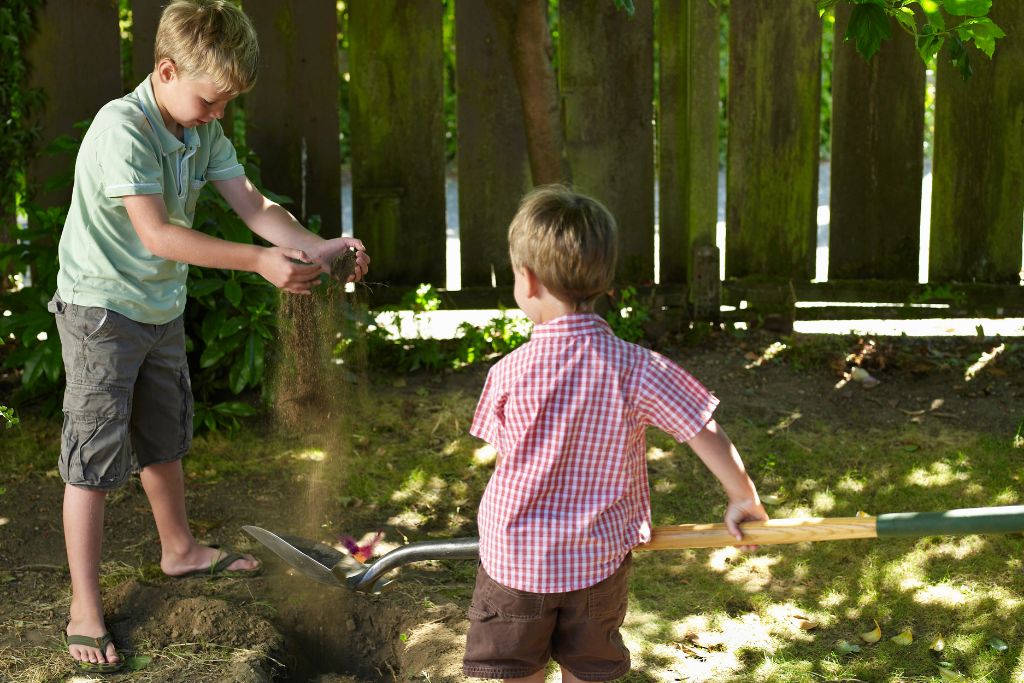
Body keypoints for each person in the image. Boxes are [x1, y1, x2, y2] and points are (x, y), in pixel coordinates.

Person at [51, 0, 370, 673]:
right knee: (95, 460)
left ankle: (180, 549)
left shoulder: (199, 132)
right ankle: (85, 604)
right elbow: (158, 234)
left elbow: (252, 204)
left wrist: (319, 246)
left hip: (159, 307)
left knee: (163, 438)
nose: (218, 114)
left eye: (226, 103)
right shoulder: (123, 129)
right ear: (166, 70)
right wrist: (257, 261)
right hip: (101, 312)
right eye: (210, 99)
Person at [462, 185, 766, 682]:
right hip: (597, 565)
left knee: (510, 670)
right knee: (589, 667)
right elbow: (702, 429)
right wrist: (742, 496)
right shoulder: (639, 368)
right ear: (603, 281)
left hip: (514, 564)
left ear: (529, 281)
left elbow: (503, 450)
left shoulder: (508, 373)